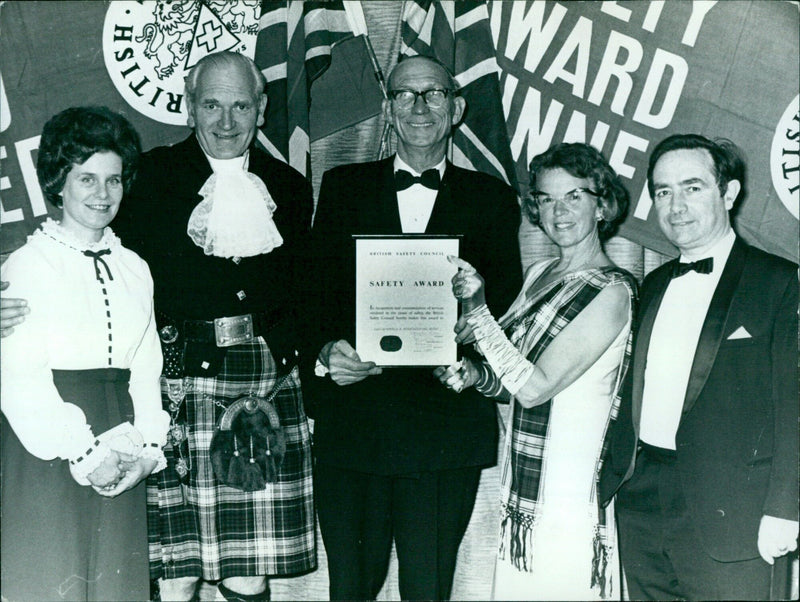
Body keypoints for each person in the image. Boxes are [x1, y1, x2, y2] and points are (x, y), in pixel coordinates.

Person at [303, 55, 523, 600]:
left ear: (457, 108)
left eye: (434, 94)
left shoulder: (492, 199)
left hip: (444, 430)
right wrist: (327, 351)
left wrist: (474, 362)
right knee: (349, 589)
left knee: (428, 590)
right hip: (356, 427)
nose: (420, 107)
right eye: (405, 95)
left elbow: (508, 302)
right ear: (387, 108)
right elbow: (311, 293)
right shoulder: (343, 186)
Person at [110, 51, 315, 601]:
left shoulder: (291, 188)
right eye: (212, 105)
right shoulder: (147, 178)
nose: (227, 122)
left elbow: (306, 292)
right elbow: (104, 266)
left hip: (266, 386)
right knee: (175, 573)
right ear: (189, 107)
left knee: (248, 567)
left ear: (262, 108)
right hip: (174, 383)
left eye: (240, 106)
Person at [599, 134, 799, 600]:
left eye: (692, 187)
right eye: (663, 191)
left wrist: (786, 508)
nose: (676, 206)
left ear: (728, 194)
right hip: (642, 501)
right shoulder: (652, 284)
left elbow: (795, 405)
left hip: (737, 513)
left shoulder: (780, 282)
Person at [435, 142, 637, 600]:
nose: (558, 211)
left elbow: (534, 389)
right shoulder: (540, 272)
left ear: (601, 205)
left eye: (574, 196)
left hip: (570, 477)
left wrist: (480, 311)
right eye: (546, 198)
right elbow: (511, 379)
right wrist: (475, 376)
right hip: (525, 471)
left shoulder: (612, 290)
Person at [0, 106, 169, 601]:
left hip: (121, 440)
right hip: (48, 447)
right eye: (87, 179)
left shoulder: (136, 267)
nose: (102, 194)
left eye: (114, 180)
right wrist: (83, 450)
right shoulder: (28, 264)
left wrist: (148, 450)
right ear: (58, 181)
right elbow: (20, 378)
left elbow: (146, 367)